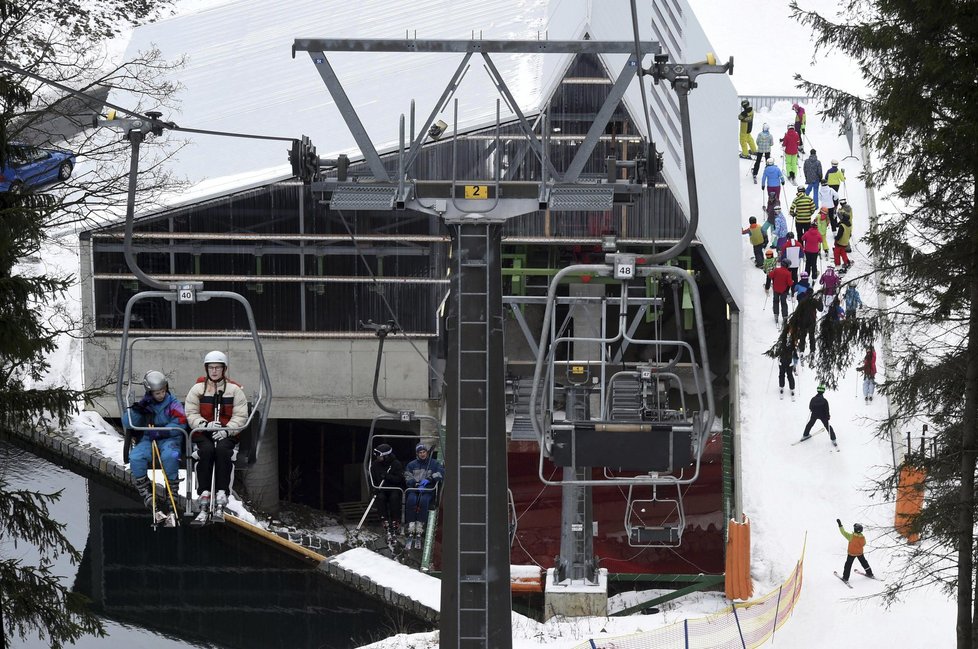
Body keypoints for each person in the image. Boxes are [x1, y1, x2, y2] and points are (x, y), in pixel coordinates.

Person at [185, 350, 248, 523]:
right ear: (206, 369)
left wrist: (228, 430)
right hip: (203, 432)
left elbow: (240, 416)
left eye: (217, 368)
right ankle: (204, 493)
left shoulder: (234, 391)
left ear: (223, 369)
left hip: (226, 433)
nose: (214, 371)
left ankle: (221, 494)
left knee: (222, 451)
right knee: (205, 451)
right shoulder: (198, 389)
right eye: (211, 368)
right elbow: (191, 413)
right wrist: (205, 425)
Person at [123, 370, 188, 526]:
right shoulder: (145, 405)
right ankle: (148, 495)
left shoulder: (173, 403)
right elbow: (128, 423)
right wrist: (138, 410)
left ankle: (171, 496)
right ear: (149, 392)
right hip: (148, 438)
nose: (160, 395)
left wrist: (161, 432)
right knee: (136, 457)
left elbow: (181, 422)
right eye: (157, 393)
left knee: (169, 456)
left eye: (163, 391)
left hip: (169, 439)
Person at [403, 443, 445, 549]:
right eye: (420, 452)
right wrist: (415, 483)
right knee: (411, 500)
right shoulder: (412, 464)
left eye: (424, 452)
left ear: (427, 452)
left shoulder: (433, 463)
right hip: (415, 489)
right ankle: (411, 526)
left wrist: (430, 479)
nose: (422, 454)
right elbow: (407, 476)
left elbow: (441, 473)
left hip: (427, 489)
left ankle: (421, 526)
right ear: (417, 454)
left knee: (423, 501)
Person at [370, 443, 406, 546]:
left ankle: (395, 520)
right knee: (380, 498)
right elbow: (372, 479)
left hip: (393, 488)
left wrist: (388, 477)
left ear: (386, 456)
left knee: (394, 498)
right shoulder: (375, 465)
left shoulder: (396, 464)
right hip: (381, 488)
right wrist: (374, 488)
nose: (378, 458)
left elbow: (399, 479)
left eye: (380, 456)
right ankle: (384, 519)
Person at [769, 259, 794, 324]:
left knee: (775, 301)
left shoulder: (776, 270)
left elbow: (770, 275)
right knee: (783, 303)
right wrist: (792, 282)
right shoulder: (788, 273)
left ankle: (776, 315)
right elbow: (790, 283)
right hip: (783, 291)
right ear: (787, 265)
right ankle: (785, 316)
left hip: (776, 289)